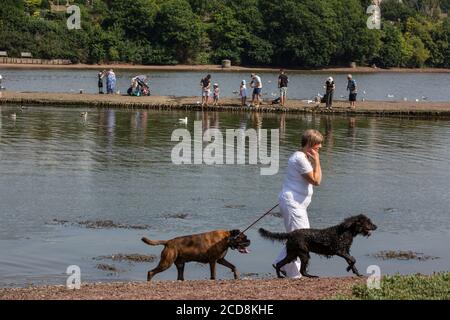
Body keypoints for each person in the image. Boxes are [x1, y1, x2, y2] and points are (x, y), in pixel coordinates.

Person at [273, 129, 323, 279]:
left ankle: (279, 263)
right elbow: (316, 181)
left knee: (299, 238)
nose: (320, 148)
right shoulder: (300, 158)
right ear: (309, 144)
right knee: (300, 240)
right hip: (293, 204)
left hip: (296, 204)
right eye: (318, 145)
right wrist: (318, 161)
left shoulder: (302, 157)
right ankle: (294, 275)